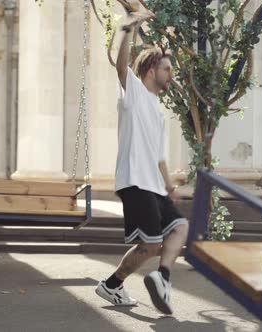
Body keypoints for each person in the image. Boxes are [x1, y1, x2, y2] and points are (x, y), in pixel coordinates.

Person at [94, 11, 189, 315]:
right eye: (167, 68)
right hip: (135, 181)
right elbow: (121, 66)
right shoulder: (133, 92)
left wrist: (170, 183)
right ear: (150, 69)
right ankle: (112, 285)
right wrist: (126, 28)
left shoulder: (158, 110)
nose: (171, 73)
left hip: (154, 184)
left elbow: (158, 154)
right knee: (150, 244)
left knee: (179, 228)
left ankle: (161, 277)